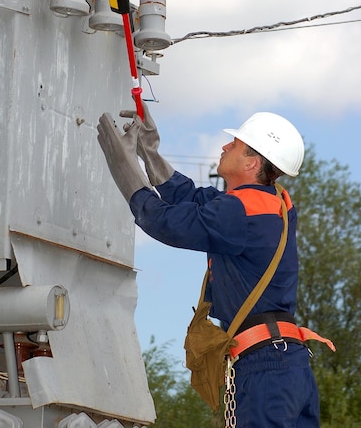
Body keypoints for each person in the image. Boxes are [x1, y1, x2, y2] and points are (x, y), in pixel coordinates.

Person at [97, 104, 332, 427]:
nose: (224, 146)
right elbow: (189, 197)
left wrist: (121, 164)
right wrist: (148, 151)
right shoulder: (270, 203)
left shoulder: (240, 213)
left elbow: (164, 222)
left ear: (252, 162)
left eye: (234, 144)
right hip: (288, 365)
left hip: (264, 368)